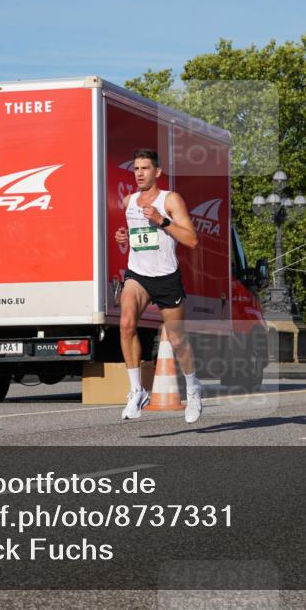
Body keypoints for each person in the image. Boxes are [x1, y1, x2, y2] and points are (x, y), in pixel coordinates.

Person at [113, 149, 202, 423]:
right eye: (136, 169)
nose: (139, 173)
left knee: (177, 340)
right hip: (137, 275)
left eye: (145, 168)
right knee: (126, 323)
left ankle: (194, 388)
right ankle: (136, 390)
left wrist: (162, 221)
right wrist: (122, 240)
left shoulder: (170, 200)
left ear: (157, 172)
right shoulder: (129, 201)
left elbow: (192, 240)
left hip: (166, 277)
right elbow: (137, 238)